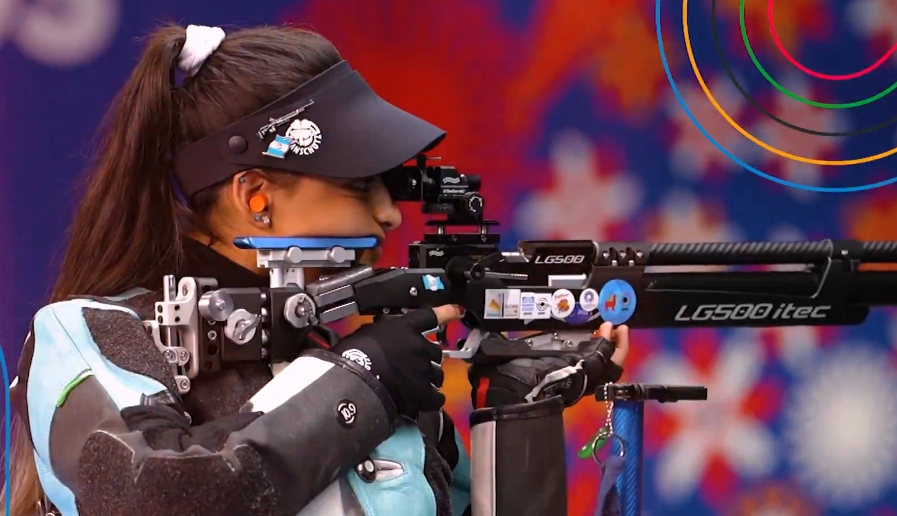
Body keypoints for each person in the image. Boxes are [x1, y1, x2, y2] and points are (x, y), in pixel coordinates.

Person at [3, 23, 630, 516]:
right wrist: (362, 378)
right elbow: (151, 494)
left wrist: (516, 417)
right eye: (360, 183)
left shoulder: (375, 372)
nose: (389, 214)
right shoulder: (87, 334)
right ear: (256, 196)